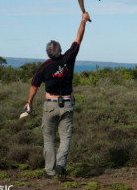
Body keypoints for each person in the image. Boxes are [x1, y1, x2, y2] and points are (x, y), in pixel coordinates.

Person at [23, 12, 91, 180]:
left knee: (48, 138)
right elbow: (78, 38)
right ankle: (61, 164)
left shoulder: (44, 67)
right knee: (65, 137)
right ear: (60, 51)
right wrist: (83, 19)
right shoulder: (69, 57)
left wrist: (28, 102)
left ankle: (50, 171)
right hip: (67, 104)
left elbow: (34, 85)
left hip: (50, 106)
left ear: (48, 53)